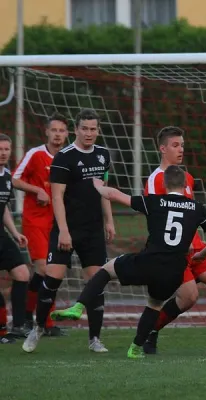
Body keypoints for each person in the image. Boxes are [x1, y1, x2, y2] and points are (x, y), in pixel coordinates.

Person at [51, 166, 206, 358]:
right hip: (175, 272)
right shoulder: (198, 209)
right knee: (155, 304)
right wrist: (201, 255)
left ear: (165, 184)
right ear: (185, 184)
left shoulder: (155, 201)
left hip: (149, 262)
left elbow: (115, 195)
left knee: (107, 270)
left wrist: (97, 184)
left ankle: (79, 306)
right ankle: (135, 347)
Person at [22, 108, 115, 354]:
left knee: (96, 283)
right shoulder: (64, 157)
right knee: (51, 279)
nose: (89, 133)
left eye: (93, 129)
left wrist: (109, 221)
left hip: (93, 230)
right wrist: (63, 230)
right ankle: (38, 327)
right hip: (66, 228)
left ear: (98, 130)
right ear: (76, 129)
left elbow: (103, 190)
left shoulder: (104, 155)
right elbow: (57, 196)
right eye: (84, 128)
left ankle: (94, 339)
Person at [142, 126, 206, 355]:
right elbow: (154, 218)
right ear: (162, 148)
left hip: (194, 243)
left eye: (183, 145)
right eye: (176, 145)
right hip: (174, 249)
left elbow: (191, 211)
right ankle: (150, 330)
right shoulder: (156, 180)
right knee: (189, 297)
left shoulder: (186, 178)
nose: (181, 150)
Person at [13, 112, 69, 337]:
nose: (57, 135)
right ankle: (37, 319)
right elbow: (14, 179)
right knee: (45, 270)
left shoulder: (68, 156)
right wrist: (37, 190)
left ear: (67, 134)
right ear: (46, 131)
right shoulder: (35, 154)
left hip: (58, 223)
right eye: (54, 130)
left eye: (62, 131)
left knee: (51, 273)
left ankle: (37, 319)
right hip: (35, 221)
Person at [0, 134, 30, 344]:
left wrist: (14, 232)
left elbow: (4, 209)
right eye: (0, 149)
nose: (3, 153)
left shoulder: (7, 177)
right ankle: (1, 329)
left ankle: (18, 326)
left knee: (22, 273)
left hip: (2, 235)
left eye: (6, 149)